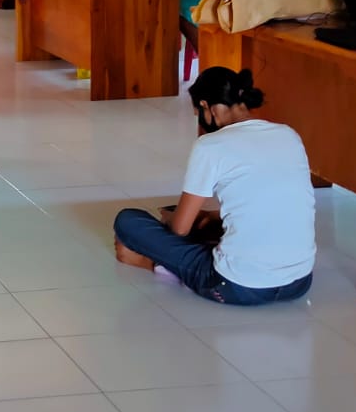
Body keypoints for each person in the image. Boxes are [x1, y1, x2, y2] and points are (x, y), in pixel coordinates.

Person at [112, 66, 315, 305]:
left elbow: (179, 230)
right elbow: (271, 200)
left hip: (237, 287)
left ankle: (157, 265)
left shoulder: (211, 145)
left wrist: (172, 220)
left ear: (206, 107)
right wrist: (214, 216)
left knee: (128, 221)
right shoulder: (288, 134)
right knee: (209, 223)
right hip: (299, 282)